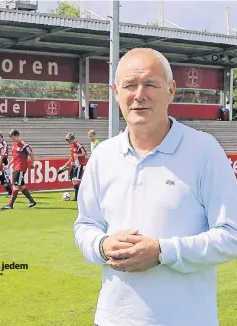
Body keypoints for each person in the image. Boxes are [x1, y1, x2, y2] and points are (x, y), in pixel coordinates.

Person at [73, 48, 237, 326]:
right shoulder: (103, 155)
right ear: (115, 91)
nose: (139, 95)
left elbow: (232, 235)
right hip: (113, 319)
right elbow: (85, 225)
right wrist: (102, 246)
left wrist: (162, 251)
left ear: (171, 90)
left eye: (150, 84)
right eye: (129, 85)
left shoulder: (204, 150)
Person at [5, 129, 36, 209]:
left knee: (15, 186)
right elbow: (15, 156)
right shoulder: (14, 144)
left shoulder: (24, 145)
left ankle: (10, 204)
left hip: (20, 168)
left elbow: (31, 154)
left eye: (13, 138)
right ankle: (32, 201)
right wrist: (9, 163)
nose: (12, 140)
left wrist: (32, 164)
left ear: (16, 135)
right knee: (21, 186)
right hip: (15, 167)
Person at [59, 133, 87, 201]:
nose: (68, 142)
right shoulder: (71, 145)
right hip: (73, 164)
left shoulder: (78, 145)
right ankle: (78, 195)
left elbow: (85, 153)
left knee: (76, 181)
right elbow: (72, 157)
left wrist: (78, 155)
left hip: (78, 164)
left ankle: (77, 197)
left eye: (68, 140)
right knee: (73, 180)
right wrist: (66, 164)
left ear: (72, 139)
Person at [0, 131, 12, 197]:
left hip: (4, 161)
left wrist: (4, 161)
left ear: (0, 136)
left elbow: (3, 153)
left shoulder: (4, 143)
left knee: (6, 176)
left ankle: (10, 191)